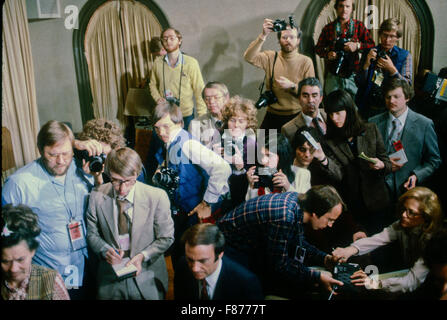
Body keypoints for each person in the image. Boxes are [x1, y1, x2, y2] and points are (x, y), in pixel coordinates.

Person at [1, 120, 104, 299]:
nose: (61, 161)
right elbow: (8, 239)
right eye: (52, 155)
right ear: (40, 150)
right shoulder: (18, 184)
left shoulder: (83, 168)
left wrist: (96, 177)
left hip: (88, 266)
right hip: (49, 275)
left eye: (66, 153)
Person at [217, 186, 345, 299]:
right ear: (315, 213)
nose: (330, 225)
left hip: (248, 243)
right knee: (254, 289)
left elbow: (298, 242)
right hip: (227, 245)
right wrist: (317, 276)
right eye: (329, 219)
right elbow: (280, 265)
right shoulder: (284, 217)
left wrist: (324, 259)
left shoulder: (299, 203)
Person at [86, 147, 174, 299]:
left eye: (128, 181)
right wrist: (105, 250)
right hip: (110, 280)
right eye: (115, 181)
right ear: (108, 174)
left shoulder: (157, 197)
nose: (122, 189)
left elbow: (166, 238)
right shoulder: (96, 195)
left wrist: (142, 256)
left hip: (147, 276)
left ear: (137, 174)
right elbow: (92, 234)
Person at [152, 101, 231, 268]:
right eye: (157, 128)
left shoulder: (188, 144)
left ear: (180, 123)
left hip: (196, 214)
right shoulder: (169, 142)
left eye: (166, 126)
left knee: (194, 260)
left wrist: (207, 202)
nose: (161, 132)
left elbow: (223, 168)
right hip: (182, 212)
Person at [332, 187, 444, 294]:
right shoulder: (402, 224)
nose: (404, 215)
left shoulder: (433, 241)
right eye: (404, 209)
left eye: (411, 212)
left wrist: (375, 283)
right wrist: (350, 249)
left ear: (426, 217)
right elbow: (378, 239)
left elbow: (412, 281)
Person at [323, 89, 393, 234]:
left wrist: (381, 165)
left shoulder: (370, 130)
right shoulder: (329, 141)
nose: (334, 118)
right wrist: (323, 160)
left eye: (338, 113)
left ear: (348, 110)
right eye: (330, 114)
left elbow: (387, 164)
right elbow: (338, 175)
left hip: (377, 200)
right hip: (352, 204)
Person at [368, 78, 441, 202]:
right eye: (388, 97)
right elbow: (366, 155)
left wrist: (417, 175)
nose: (391, 101)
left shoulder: (424, 124)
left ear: (407, 97)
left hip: (408, 192)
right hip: (377, 191)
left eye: (396, 96)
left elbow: (434, 160)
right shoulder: (373, 122)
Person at [244, 17, 315, 130]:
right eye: (284, 37)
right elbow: (249, 57)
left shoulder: (306, 62)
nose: (288, 40)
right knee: (262, 145)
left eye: (292, 37)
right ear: (279, 40)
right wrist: (263, 36)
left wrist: (292, 86)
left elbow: (312, 93)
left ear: (298, 40)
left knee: (293, 147)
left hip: (295, 115)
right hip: (272, 114)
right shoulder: (271, 57)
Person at [174, 223, 264, 300]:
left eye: (203, 261)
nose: (195, 268)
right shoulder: (182, 266)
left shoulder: (246, 283)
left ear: (220, 254)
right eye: (190, 259)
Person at [1, 204, 70, 300]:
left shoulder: (50, 282)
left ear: (32, 251)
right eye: (5, 261)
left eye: (20, 259)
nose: (13, 269)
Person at [149, 27, 207, 131]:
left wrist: (202, 116)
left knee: (185, 146)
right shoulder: (157, 63)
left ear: (179, 40)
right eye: (165, 39)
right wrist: (157, 98)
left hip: (186, 115)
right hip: (164, 114)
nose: (168, 41)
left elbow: (199, 90)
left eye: (172, 38)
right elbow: (152, 84)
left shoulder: (191, 63)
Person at [355, 18, 413, 119]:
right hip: (367, 106)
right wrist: (366, 65)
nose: (387, 40)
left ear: (398, 38)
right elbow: (359, 82)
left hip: (391, 108)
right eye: (384, 35)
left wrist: (392, 70)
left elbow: (407, 87)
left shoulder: (405, 56)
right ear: (380, 34)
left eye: (391, 36)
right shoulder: (369, 52)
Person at [315, 0, 375, 96]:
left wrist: (357, 46)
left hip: (353, 75)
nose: (344, 10)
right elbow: (318, 48)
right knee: (333, 106)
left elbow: (372, 45)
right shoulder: (329, 28)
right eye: (341, 6)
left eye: (347, 6)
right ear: (336, 8)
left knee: (353, 107)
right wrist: (328, 54)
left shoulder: (358, 26)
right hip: (333, 76)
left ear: (352, 9)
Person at [214, 95, 257, 208]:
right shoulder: (219, 136)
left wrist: (241, 169)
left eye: (241, 121)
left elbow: (252, 177)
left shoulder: (251, 144)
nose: (236, 125)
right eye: (232, 120)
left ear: (248, 123)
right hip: (219, 189)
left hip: (240, 192)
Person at [77, 118, 148, 185]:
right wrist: (97, 178)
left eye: (103, 154)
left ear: (116, 148)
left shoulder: (131, 167)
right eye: (95, 154)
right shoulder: (89, 163)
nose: (99, 158)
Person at [245, 134, 299, 199]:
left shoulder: (301, 174)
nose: (263, 161)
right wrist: (252, 186)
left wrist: (288, 186)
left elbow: (301, 206)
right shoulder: (258, 172)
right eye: (262, 155)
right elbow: (250, 206)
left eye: (268, 155)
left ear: (282, 157)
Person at [281, 77, 327, 144]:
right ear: (299, 98)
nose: (310, 100)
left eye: (314, 96)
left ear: (321, 98)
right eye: (305, 96)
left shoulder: (331, 115)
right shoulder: (288, 130)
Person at [188, 81, 230, 149]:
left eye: (216, 97)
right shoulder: (195, 124)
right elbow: (194, 154)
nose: (211, 102)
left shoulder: (237, 121)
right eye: (207, 99)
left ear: (226, 98)